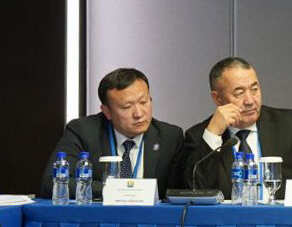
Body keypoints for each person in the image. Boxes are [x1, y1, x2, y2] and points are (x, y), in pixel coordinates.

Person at [183, 57, 292, 198]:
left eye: (254, 89)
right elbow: (195, 191)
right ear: (217, 98)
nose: (250, 100)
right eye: (239, 93)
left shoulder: (288, 125)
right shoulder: (199, 136)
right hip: (228, 221)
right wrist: (213, 135)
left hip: (282, 219)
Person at [37, 68, 186, 199]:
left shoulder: (170, 137)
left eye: (144, 102)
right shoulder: (82, 131)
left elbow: (178, 193)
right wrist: (115, 190)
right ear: (107, 111)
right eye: (127, 107)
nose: (139, 114)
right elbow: (51, 183)